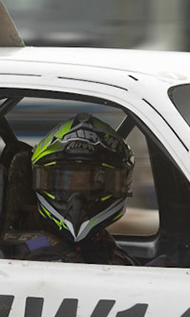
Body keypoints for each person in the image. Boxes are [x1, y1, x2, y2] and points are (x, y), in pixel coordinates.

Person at [15, 113, 138, 265]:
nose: (77, 197)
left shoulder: (103, 245)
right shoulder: (31, 246)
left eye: (90, 182)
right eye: (67, 180)